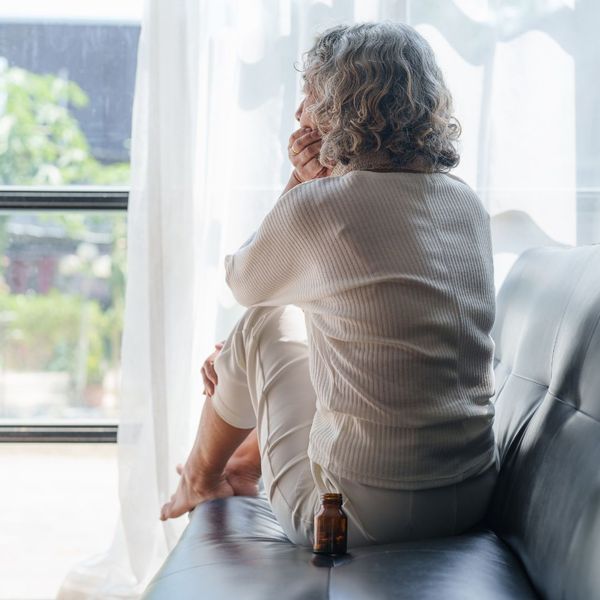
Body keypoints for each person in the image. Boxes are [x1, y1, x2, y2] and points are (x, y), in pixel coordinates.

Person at [159, 21, 499, 549]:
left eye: (310, 95)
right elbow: (370, 307)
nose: (298, 115)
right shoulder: (466, 204)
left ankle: (200, 479)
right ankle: (240, 468)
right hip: (471, 493)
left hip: (354, 516)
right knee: (275, 327)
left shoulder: (321, 206)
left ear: (347, 106)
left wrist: (298, 186)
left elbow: (244, 280)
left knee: (261, 321)